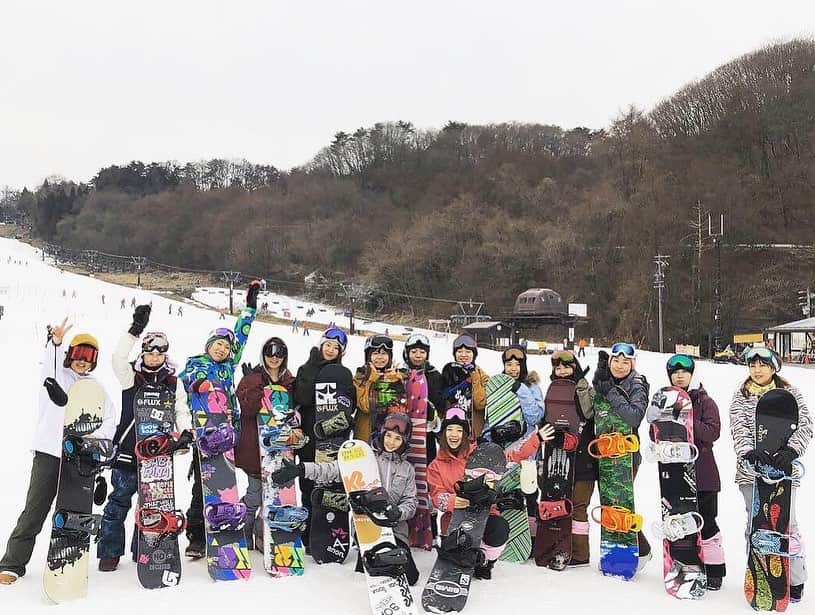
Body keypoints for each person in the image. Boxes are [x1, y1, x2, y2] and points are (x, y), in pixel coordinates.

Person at [0, 321, 117, 585]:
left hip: (79, 458)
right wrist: (55, 343)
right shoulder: (56, 376)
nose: (82, 361)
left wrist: (94, 437)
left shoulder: (95, 387)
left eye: (89, 357)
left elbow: (110, 420)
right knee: (35, 509)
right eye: (79, 354)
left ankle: (69, 561)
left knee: (73, 512)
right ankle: (12, 563)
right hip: (50, 454)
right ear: (70, 354)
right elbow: (50, 364)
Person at [271, 413, 420, 584]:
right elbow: (332, 469)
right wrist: (301, 469)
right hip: (367, 528)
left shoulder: (407, 469)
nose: (391, 442)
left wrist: (398, 513)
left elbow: (411, 501)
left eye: (397, 438)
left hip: (395, 530)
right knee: (375, 572)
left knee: (410, 577)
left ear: (404, 442)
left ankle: (380, 563)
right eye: (388, 435)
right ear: (382, 434)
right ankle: (369, 562)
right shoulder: (364, 457)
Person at [98, 306, 191, 571]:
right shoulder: (131, 376)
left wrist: (184, 432)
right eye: (150, 350)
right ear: (143, 352)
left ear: (165, 353)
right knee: (118, 503)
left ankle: (144, 549)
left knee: (152, 505)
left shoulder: (173, 382)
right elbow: (117, 357)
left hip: (157, 454)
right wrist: (134, 330)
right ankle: (109, 552)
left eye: (160, 351)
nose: (154, 355)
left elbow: (180, 409)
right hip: (129, 448)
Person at [177, 280, 260, 558]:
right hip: (205, 436)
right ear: (209, 345)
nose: (222, 350)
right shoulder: (196, 363)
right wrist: (198, 382)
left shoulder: (228, 367)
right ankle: (197, 536)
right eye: (218, 345)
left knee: (225, 486)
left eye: (226, 347)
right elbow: (186, 379)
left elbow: (242, 335)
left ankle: (225, 528)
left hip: (228, 435)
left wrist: (249, 308)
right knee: (203, 486)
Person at [728, 347, 811, 602]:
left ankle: (794, 579)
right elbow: (738, 426)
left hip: (783, 474)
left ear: (774, 367)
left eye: (762, 365)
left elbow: (806, 424)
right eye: (752, 365)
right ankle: (759, 571)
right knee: (756, 524)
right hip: (752, 472)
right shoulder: (741, 396)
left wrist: (792, 450)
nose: (757, 370)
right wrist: (749, 451)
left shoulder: (790, 394)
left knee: (787, 524)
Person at [665, 354, 725, 590]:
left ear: (692, 375)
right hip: (675, 475)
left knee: (706, 522)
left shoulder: (705, 401)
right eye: (675, 371)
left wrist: (686, 418)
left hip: (704, 474)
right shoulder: (665, 401)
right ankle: (685, 565)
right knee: (680, 522)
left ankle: (714, 570)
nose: (680, 375)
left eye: (685, 371)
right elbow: (654, 434)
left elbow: (712, 432)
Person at [591, 342, 651, 570]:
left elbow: (634, 416)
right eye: (616, 360)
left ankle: (640, 550)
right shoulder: (606, 382)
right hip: (604, 453)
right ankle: (620, 548)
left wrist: (610, 392)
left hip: (626, 455)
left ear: (632, 363)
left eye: (626, 361)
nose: (620, 365)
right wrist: (592, 385)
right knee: (610, 504)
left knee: (621, 504)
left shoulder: (637, 384)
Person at [235, 337, 298, 550]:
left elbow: (296, 412)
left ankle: (263, 531)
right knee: (255, 494)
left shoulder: (289, 381)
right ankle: (245, 525)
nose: (274, 358)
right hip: (255, 446)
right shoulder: (253, 378)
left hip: (280, 447)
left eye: (279, 354)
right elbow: (247, 410)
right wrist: (253, 385)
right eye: (270, 354)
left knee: (275, 494)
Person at [292, 326, 352, 550]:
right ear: (320, 345)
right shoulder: (305, 368)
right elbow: (302, 397)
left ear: (341, 352)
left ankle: (327, 528)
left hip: (332, 438)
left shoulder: (344, 375)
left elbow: (349, 403)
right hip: (310, 434)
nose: (330, 350)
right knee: (308, 483)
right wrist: (316, 370)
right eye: (327, 345)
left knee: (329, 484)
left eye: (336, 348)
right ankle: (307, 530)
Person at [544, 350, 595, 566]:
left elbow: (589, 414)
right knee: (559, 502)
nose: (563, 371)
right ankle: (560, 546)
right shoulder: (552, 392)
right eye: (558, 368)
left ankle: (580, 552)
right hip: (558, 456)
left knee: (579, 505)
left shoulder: (584, 388)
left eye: (567, 367)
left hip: (584, 458)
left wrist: (581, 386)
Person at [353, 334, 402, 444]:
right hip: (366, 435)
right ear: (368, 356)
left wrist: (396, 382)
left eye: (384, 353)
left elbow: (402, 407)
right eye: (375, 353)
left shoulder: (397, 376)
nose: (380, 357)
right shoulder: (360, 376)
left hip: (390, 437)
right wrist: (371, 380)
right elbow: (365, 406)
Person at [442, 334, 489, 438]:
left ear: (474, 354)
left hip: (473, 431)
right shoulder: (448, 371)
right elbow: (444, 398)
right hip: (452, 431)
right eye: (459, 351)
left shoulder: (482, 375)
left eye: (468, 352)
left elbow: (480, 404)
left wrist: (474, 377)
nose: (463, 355)